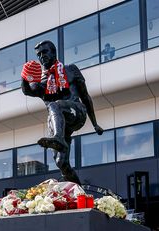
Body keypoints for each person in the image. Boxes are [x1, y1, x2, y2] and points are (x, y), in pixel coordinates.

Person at [21, 40, 104, 185]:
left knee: (55, 105)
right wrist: (24, 77)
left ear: (53, 52)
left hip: (77, 112)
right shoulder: (41, 81)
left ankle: (58, 138)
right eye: (39, 54)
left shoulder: (71, 70)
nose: (42, 57)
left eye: (45, 52)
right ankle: (78, 192)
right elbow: (27, 90)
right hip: (60, 124)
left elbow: (85, 96)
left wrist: (95, 124)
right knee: (61, 163)